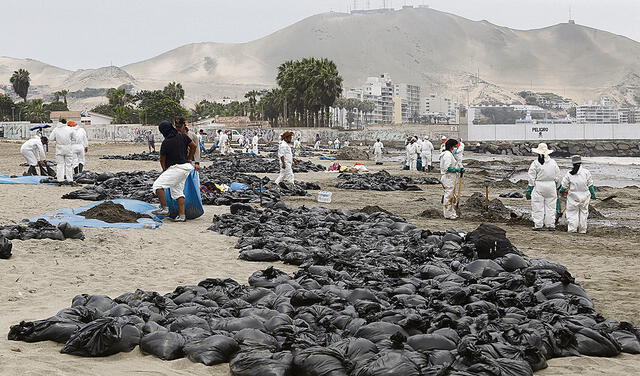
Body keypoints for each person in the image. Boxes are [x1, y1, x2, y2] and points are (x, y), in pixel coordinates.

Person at [151, 121, 197, 222]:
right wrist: (189, 158)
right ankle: (182, 216)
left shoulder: (166, 142)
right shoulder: (183, 136)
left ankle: (164, 209)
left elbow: (162, 159)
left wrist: (164, 170)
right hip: (186, 167)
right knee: (177, 192)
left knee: (157, 186)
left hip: (176, 168)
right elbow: (193, 146)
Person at [526, 143, 561, 231]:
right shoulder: (553, 162)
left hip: (539, 185)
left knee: (538, 206)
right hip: (551, 186)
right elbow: (558, 176)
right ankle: (550, 225)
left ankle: (538, 225)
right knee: (551, 207)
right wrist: (557, 186)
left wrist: (530, 187)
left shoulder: (536, 163)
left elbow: (531, 176)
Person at [560, 155, 596, 234]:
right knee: (584, 213)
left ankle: (572, 229)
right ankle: (582, 230)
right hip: (585, 197)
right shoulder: (586, 172)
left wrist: (561, 192)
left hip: (573, 197)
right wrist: (593, 194)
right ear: (580, 162)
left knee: (572, 213)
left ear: (572, 163)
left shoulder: (569, 174)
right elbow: (590, 185)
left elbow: (564, 186)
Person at [440, 138, 463, 220]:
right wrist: (457, 170)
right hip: (448, 177)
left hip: (450, 177)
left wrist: (459, 168)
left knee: (452, 195)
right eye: (455, 146)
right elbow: (447, 167)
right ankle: (448, 214)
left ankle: (452, 212)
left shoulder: (448, 154)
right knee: (448, 195)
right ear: (451, 147)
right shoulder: (447, 155)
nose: (456, 148)